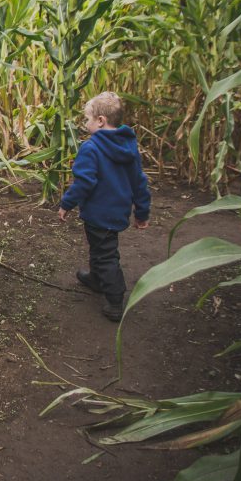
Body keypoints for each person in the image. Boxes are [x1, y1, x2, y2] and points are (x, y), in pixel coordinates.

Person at [58, 92, 151, 322]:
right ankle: (97, 279)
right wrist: (142, 212)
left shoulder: (91, 149)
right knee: (101, 249)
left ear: (100, 120)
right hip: (117, 212)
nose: (85, 123)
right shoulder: (129, 146)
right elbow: (139, 182)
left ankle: (115, 299)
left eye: (88, 119)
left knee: (105, 255)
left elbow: (84, 183)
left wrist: (66, 204)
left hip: (98, 214)